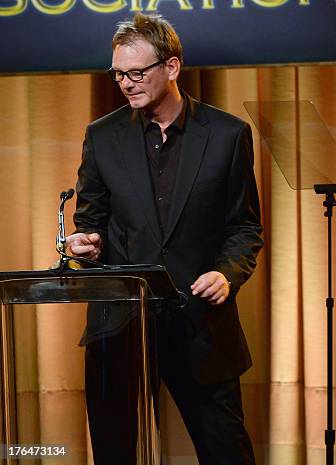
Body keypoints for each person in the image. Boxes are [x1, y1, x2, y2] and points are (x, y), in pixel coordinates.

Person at [65, 13, 263, 465]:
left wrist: (226, 274)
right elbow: (89, 220)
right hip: (121, 327)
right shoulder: (102, 137)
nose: (126, 83)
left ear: (171, 68)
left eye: (137, 73)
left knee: (226, 452)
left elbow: (244, 227)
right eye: (119, 74)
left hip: (200, 327)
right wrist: (83, 244)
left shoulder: (228, 135)